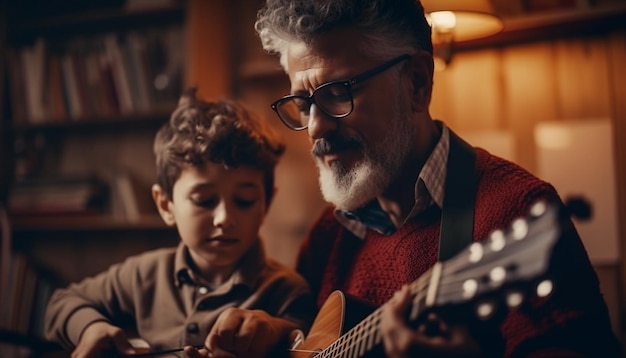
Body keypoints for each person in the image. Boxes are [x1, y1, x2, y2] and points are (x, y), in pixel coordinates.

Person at [249, 0, 624, 357]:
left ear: (416, 83)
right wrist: (276, 337)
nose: (315, 127)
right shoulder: (328, 235)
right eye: (302, 103)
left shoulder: (517, 209)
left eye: (337, 93)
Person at [43, 89, 314, 358]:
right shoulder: (143, 275)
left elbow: (303, 342)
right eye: (204, 200)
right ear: (165, 205)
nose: (224, 219)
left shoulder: (286, 292)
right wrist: (91, 328)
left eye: (244, 201)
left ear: (266, 202)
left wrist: (278, 332)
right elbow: (61, 303)